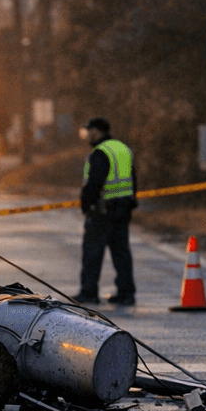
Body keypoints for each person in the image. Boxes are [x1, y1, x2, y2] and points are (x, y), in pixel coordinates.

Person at [73, 117, 137, 307]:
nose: (88, 136)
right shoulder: (123, 149)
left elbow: (94, 183)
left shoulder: (100, 153)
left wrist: (86, 205)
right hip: (123, 208)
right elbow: (133, 179)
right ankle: (126, 293)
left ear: (97, 131)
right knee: (121, 253)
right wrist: (131, 202)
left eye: (89, 131)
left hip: (103, 210)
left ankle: (89, 292)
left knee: (92, 252)